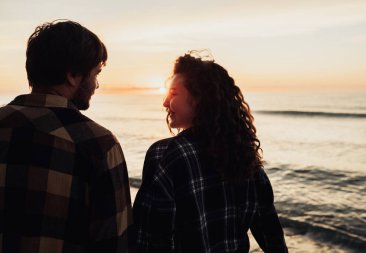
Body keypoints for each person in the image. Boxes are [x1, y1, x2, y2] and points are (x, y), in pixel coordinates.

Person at [133, 51, 288, 252]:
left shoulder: (165, 154)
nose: (164, 102)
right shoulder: (245, 156)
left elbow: (151, 240)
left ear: (199, 99)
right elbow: (271, 235)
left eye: (173, 94)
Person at [0, 20, 133, 252]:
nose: (96, 85)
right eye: (95, 74)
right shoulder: (98, 145)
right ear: (72, 75)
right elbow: (114, 243)